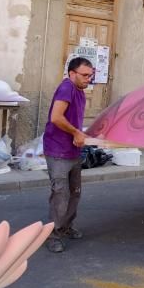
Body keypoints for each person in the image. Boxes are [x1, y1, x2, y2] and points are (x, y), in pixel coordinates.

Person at [43, 57, 93, 254]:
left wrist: (83, 133)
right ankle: (53, 235)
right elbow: (56, 117)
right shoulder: (67, 88)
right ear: (72, 73)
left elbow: (74, 119)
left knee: (75, 192)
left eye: (90, 75)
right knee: (60, 195)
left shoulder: (80, 91)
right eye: (84, 75)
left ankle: (65, 226)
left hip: (73, 151)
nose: (88, 79)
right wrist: (75, 133)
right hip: (58, 151)